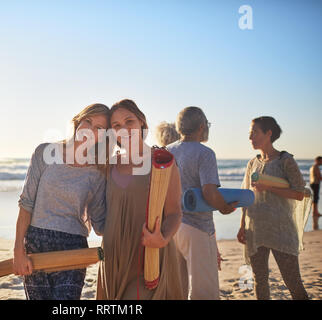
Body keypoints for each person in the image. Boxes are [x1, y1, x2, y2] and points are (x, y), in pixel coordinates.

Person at [13, 103, 109, 300]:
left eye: (99, 128)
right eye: (88, 122)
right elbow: (26, 204)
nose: (90, 131)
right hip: (36, 244)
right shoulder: (45, 153)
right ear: (78, 121)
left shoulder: (97, 172)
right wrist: (18, 250)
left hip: (73, 248)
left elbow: (100, 224)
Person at [97, 99, 184, 300]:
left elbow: (174, 212)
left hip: (148, 255)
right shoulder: (109, 164)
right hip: (113, 255)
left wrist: (162, 238)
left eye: (129, 122)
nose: (124, 129)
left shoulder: (161, 160)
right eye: (116, 126)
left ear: (142, 123)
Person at [166, 106, 237, 300]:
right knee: (204, 291)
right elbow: (209, 192)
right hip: (197, 227)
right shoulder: (205, 153)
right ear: (201, 127)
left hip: (171, 227)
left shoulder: (167, 151)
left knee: (178, 288)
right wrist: (224, 207)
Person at [237, 116, 309, 300]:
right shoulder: (252, 163)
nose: (250, 137)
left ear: (268, 133)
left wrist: (269, 188)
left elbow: (300, 193)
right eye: (250, 133)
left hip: (281, 231)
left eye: (254, 132)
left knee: (293, 282)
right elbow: (246, 195)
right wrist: (241, 226)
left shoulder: (286, 160)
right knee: (259, 280)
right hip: (256, 230)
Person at [310, 156, 322, 230]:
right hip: (315, 183)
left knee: (315, 198)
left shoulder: (312, 167)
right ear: (317, 160)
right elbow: (319, 177)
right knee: (316, 198)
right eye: (321, 161)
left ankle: (315, 212)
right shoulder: (316, 167)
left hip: (312, 183)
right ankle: (315, 212)